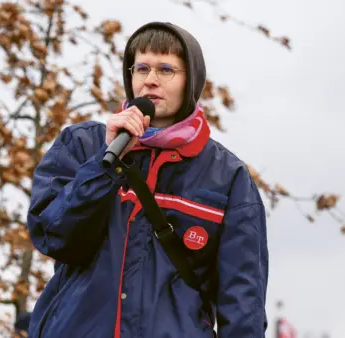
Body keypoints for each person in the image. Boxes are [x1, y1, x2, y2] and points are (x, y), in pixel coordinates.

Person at [27, 21, 269, 338]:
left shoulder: (228, 177)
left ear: (190, 82)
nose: (150, 80)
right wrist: (105, 163)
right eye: (141, 68)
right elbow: (54, 237)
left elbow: (243, 303)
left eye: (166, 69)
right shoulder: (83, 145)